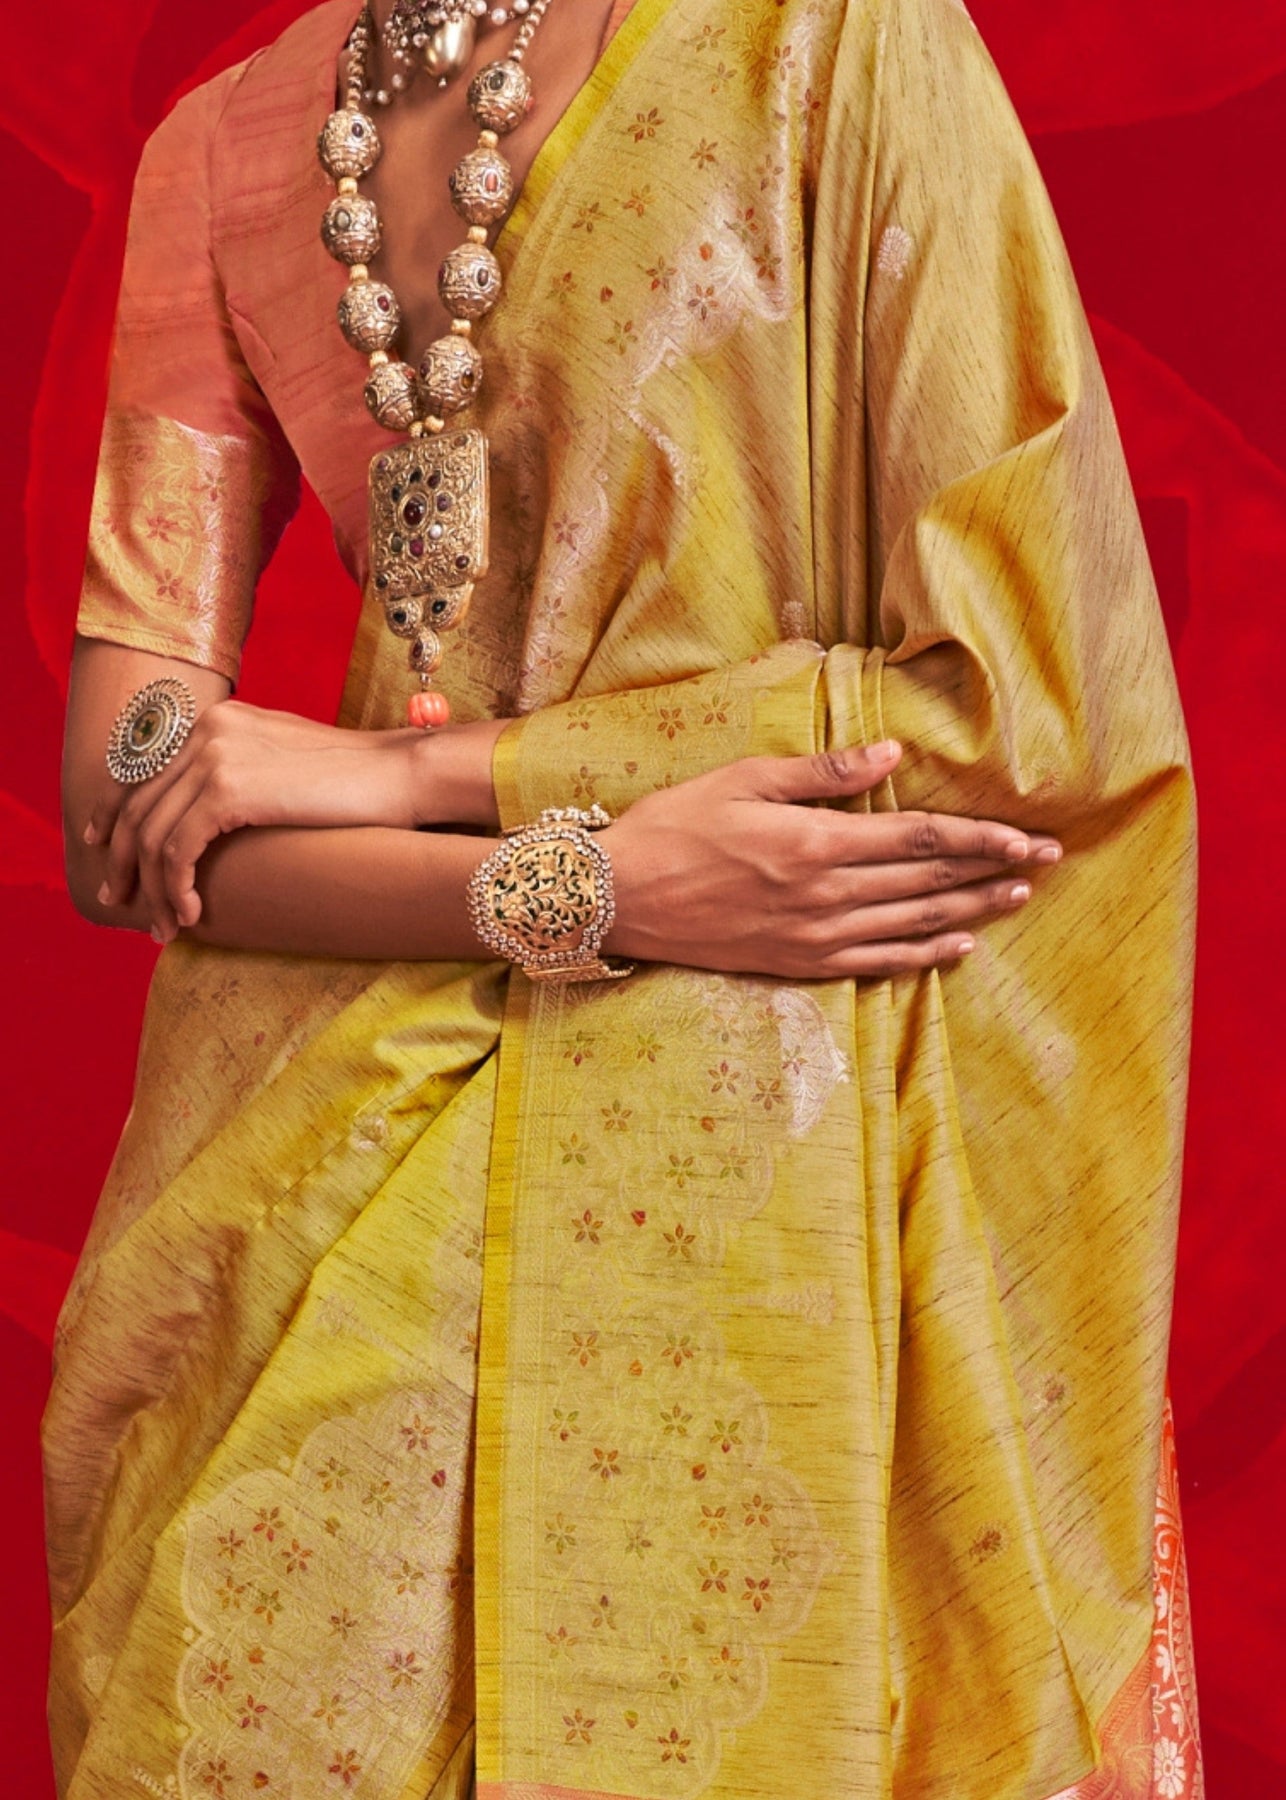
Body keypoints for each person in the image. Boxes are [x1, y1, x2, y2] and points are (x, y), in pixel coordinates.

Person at [43, 0, 1202, 1793]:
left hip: (771, 1146)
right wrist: (583, 884)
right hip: (317, 1197)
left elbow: (1022, 704)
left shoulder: (830, 44)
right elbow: (127, 815)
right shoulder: (221, 152)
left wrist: (421, 775)